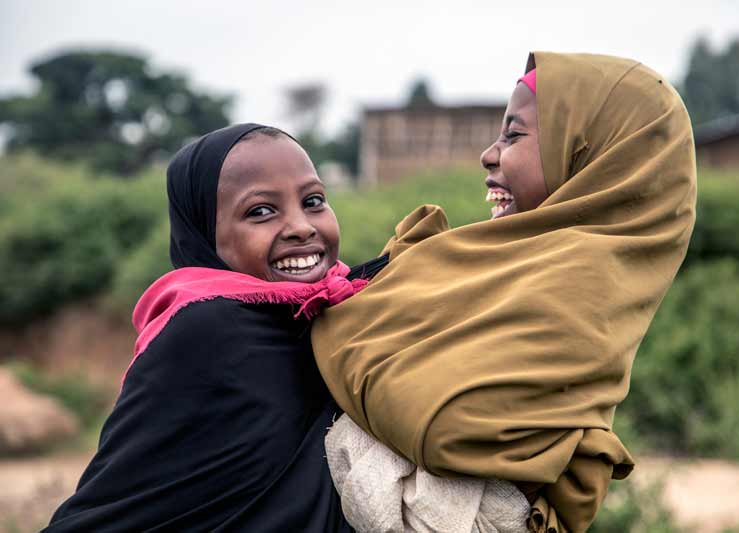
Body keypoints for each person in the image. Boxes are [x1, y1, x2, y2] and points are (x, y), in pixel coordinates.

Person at [313, 51, 697, 532]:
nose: (488, 154)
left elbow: (445, 428)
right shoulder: (498, 261)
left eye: (513, 134)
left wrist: (343, 329)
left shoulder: (576, 286)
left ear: (587, 154)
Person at [45, 123, 366, 532]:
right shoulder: (210, 330)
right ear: (204, 235)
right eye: (260, 211)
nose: (301, 226)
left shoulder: (338, 307)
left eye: (314, 201)